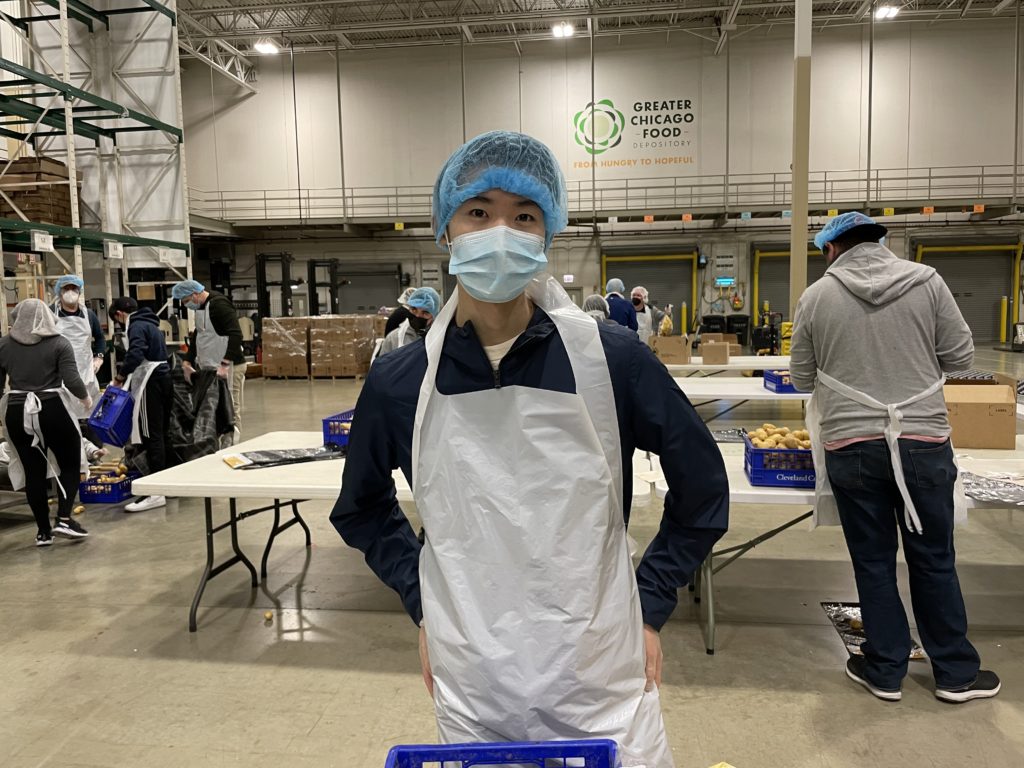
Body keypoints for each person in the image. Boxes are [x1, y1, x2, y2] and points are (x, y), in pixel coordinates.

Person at [331, 131, 728, 765]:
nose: (500, 231)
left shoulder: (611, 361)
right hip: (472, 676)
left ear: (547, 233)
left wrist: (648, 605)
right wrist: (423, 602)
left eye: (524, 216)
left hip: (598, 669)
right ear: (445, 229)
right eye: (478, 212)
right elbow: (361, 508)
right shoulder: (402, 382)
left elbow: (703, 491)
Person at [790, 211, 1000, 704]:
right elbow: (961, 357)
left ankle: (885, 669)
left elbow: (801, 379)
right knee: (934, 559)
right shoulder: (928, 282)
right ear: (883, 242)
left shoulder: (817, 296)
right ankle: (955, 674)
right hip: (923, 442)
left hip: (851, 446)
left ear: (831, 250)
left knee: (873, 560)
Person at [0, 299, 91, 546]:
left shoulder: (4, 344)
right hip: (52, 409)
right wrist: (86, 398)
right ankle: (63, 518)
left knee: (34, 472)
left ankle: (42, 532)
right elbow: (72, 379)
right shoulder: (59, 342)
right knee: (71, 464)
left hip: (17, 412)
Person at [108, 297, 174, 513]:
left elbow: (136, 352)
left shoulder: (136, 325)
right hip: (164, 378)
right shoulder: (151, 323)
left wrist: (120, 376)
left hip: (150, 381)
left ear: (120, 314)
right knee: (161, 434)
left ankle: (155, 492)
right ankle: (166, 483)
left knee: (150, 435)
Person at [171, 280, 246, 441]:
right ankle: (218, 444)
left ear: (195, 294)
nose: (186, 305)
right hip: (211, 367)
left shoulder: (219, 306)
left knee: (230, 408)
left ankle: (233, 445)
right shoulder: (201, 307)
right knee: (215, 408)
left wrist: (225, 363)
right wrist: (188, 360)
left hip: (230, 366)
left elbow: (236, 335)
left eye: (186, 301)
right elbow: (199, 335)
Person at [51, 275, 104, 434]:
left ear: (79, 291)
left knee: (88, 417)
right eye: (66, 288)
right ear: (59, 292)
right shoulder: (50, 312)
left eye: (74, 288)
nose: (70, 292)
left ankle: (92, 454)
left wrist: (99, 357)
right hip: (58, 373)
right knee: (62, 418)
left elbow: (100, 337)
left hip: (86, 371)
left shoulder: (89, 315)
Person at [378, 287, 440, 358]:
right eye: (414, 309)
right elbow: (383, 366)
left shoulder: (440, 338)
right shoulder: (393, 338)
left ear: (434, 315)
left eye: (425, 312)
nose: (417, 315)